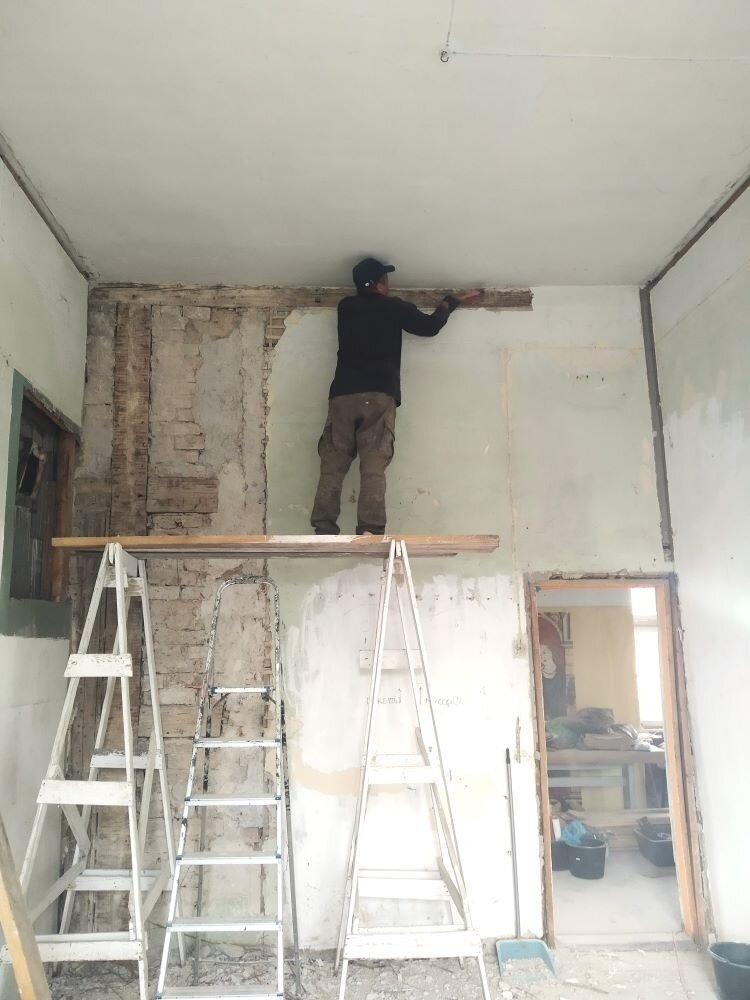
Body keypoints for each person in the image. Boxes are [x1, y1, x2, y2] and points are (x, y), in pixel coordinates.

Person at [311, 257, 480, 535]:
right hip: (379, 394)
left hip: (342, 395)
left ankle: (323, 527)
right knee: (373, 464)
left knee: (333, 464)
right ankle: (370, 529)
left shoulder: (346, 307)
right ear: (380, 285)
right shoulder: (393, 307)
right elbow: (429, 328)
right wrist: (449, 303)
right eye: (386, 279)